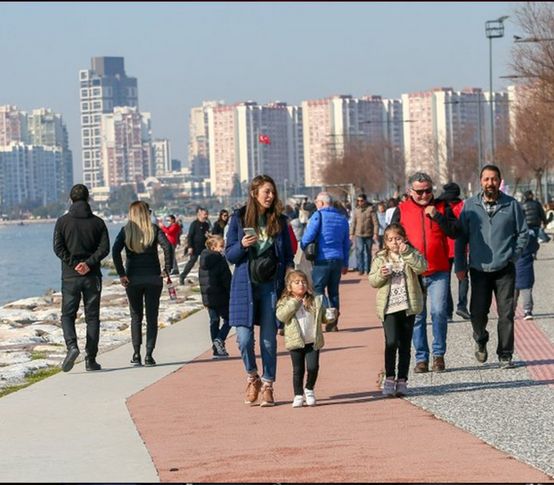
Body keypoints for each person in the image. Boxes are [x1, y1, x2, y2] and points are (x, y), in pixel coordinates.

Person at [225, 174, 294, 407]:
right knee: (243, 339)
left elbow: (287, 256)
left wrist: (289, 276)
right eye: (266, 192)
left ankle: (267, 385)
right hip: (245, 285)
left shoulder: (280, 221)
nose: (271, 196)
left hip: (270, 286)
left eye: (273, 192)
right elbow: (230, 254)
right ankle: (252, 376)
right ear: (254, 193)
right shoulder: (239, 218)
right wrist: (242, 245)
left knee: (268, 340)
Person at [455, 165, 529, 369]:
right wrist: (460, 265)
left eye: (494, 179)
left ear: (500, 181)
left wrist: (513, 256)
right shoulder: (469, 206)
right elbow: (461, 238)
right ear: (480, 181)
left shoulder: (511, 205)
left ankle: (505, 353)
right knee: (477, 313)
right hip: (479, 270)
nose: (490, 183)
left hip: (505, 269)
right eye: (486, 179)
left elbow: (523, 233)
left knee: (506, 313)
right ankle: (480, 338)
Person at [390, 172, 458, 373]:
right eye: (419, 192)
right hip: (412, 272)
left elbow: (455, 231)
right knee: (418, 316)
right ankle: (421, 358)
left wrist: (437, 217)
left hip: (439, 270)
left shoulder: (442, 207)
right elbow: (391, 236)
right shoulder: (401, 210)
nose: (424, 195)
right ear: (410, 191)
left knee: (438, 312)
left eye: (428, 191)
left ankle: (439, 355)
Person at [53, 184, 110, 372]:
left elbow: (58, 248)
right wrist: (89, 264)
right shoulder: (98, 223)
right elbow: (104, 249)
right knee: (92, 317)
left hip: (70, 277)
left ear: (71, 199)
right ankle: (91, 360)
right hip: (92, 276)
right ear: (88, 199)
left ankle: (72, 346)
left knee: (67, 315)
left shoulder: (62, 222)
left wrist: (73, 264)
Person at [368, 223, 426, 397]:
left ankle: (402, 380)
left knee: (405, 344)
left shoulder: (411, 253)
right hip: (389, 307)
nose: (394, 242)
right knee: (391, 342)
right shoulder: (380, 258)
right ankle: (389, 378)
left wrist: (407, 253)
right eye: (390, 239)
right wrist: (381, 275)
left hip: (408, 306)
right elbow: (373, 280)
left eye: (398, 238)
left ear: (404, 238)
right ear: (385, 242)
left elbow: (422, 267)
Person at [112, 201, 172, 367]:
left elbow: (115, 251)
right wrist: (167, 269)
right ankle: (149, 355)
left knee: (136, 316)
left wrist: (121, 273)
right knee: (152, 317)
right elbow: (167, 247)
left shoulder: (126, 231)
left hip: (133, 278)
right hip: (153, 277)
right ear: (146, 214)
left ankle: (136, 354)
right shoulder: (153, 229)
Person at [301, 192, 350, 332]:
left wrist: (303, 246)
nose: (316, 204)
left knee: (318, 289)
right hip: (338, 259)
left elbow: (308, 236)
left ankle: (327, 313)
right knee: (334, 291)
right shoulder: (342, 219)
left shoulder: (318, 216)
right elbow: (346, 243)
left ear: (321, 203)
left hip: (322, 259)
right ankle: (333, 322)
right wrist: (345, 263)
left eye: (316, 202)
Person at [276, 270, 326, 408]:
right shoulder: (285, 301)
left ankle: (309, 389)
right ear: (289, 286)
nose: (301, 285)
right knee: (298, 369)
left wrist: (329, 316)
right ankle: (298, 395)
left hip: (312, 340)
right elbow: (281, 316)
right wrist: (294, 303)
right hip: (295, 341)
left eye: (303, 282)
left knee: (313, 367)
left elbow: (322, 317)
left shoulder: (314, 299)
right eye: (297, 282)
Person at [435, 182, 471, 321]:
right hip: (461, 247)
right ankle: (462, 306)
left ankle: (448, 312)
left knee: (446, 280)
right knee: (463, 278)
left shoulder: (442, 207)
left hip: (445, 247)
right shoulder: (464, 206)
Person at [199, 235, 231, 359]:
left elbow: (202, 282)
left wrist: (204, 299)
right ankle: (219, 339)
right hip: (221, 297)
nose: (223, 249)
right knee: (229, 319)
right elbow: (226, 279)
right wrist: (231, 292)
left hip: (209, 298)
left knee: (214, 321)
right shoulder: (220, 260)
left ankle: (216, 350)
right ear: (213, 247)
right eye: (221, 246)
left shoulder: (202, 260)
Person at [180, 207, 210, 285]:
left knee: (205, 262)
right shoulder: (194, 224)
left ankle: (206, 278)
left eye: (206, 214)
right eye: (204, 214)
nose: (206, 216)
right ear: (199, 215)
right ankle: (182, 276)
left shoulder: (206, 224)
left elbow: (207, 234)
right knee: (192, 262)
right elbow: (190, 236)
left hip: (203, 247)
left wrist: (208, 236)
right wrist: (190, 247)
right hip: (194, 247)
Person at [350, 193, 378, 275]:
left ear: (365, 201)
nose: (360, 202)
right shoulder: (356, 210)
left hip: (368, 234)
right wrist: (351, 233)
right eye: (358, 201)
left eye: (361, 201)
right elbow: (353, 223)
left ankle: (368, 269)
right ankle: (361, 269)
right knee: (360, 251)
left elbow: (375, 223)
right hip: (359, 234)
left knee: (368, 252)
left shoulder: (371, 210)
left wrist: (375, 233)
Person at [515, 230, 540, 320]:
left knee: (512, 292)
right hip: (527, 266)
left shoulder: (512, 232)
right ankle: (527, 310)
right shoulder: (531, 233)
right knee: (526, 290)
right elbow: (536, 246)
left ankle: (510, 310)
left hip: (514, 265)